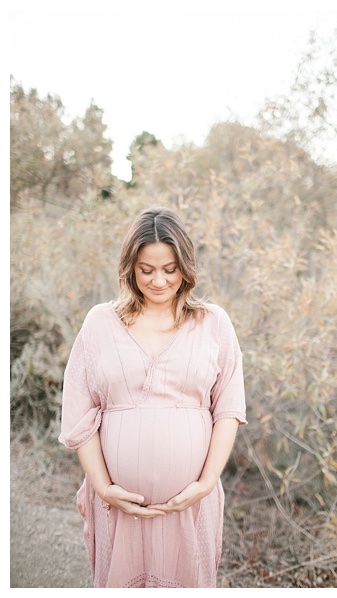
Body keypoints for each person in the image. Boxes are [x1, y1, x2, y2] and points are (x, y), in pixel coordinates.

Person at [59, 206, 247, 587]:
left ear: (186, 268)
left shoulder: (213, 323)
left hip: (190, 505)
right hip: (118, 505)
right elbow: (80, 412)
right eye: (147, 270)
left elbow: (228, 408)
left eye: (170, 269)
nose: (159, 281)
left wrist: (206, 483)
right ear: (130, 267)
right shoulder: (100, 323)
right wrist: (104, 488)